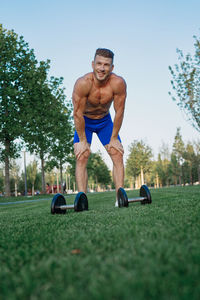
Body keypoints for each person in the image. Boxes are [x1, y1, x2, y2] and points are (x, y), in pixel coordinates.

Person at [72, 48, 127, 206]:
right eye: (99, 64)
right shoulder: (83, 83)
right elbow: (77, 114)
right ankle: (82, 199)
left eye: (106, 65)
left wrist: (114, 138)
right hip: (85, 122)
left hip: (105, 122)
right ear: (92, 64)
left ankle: (120, 197)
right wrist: (82, 140)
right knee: (82, 156)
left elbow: (119, 111)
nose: (102, 68)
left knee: (117, 153)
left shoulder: (118, 83)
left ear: (112, 67)